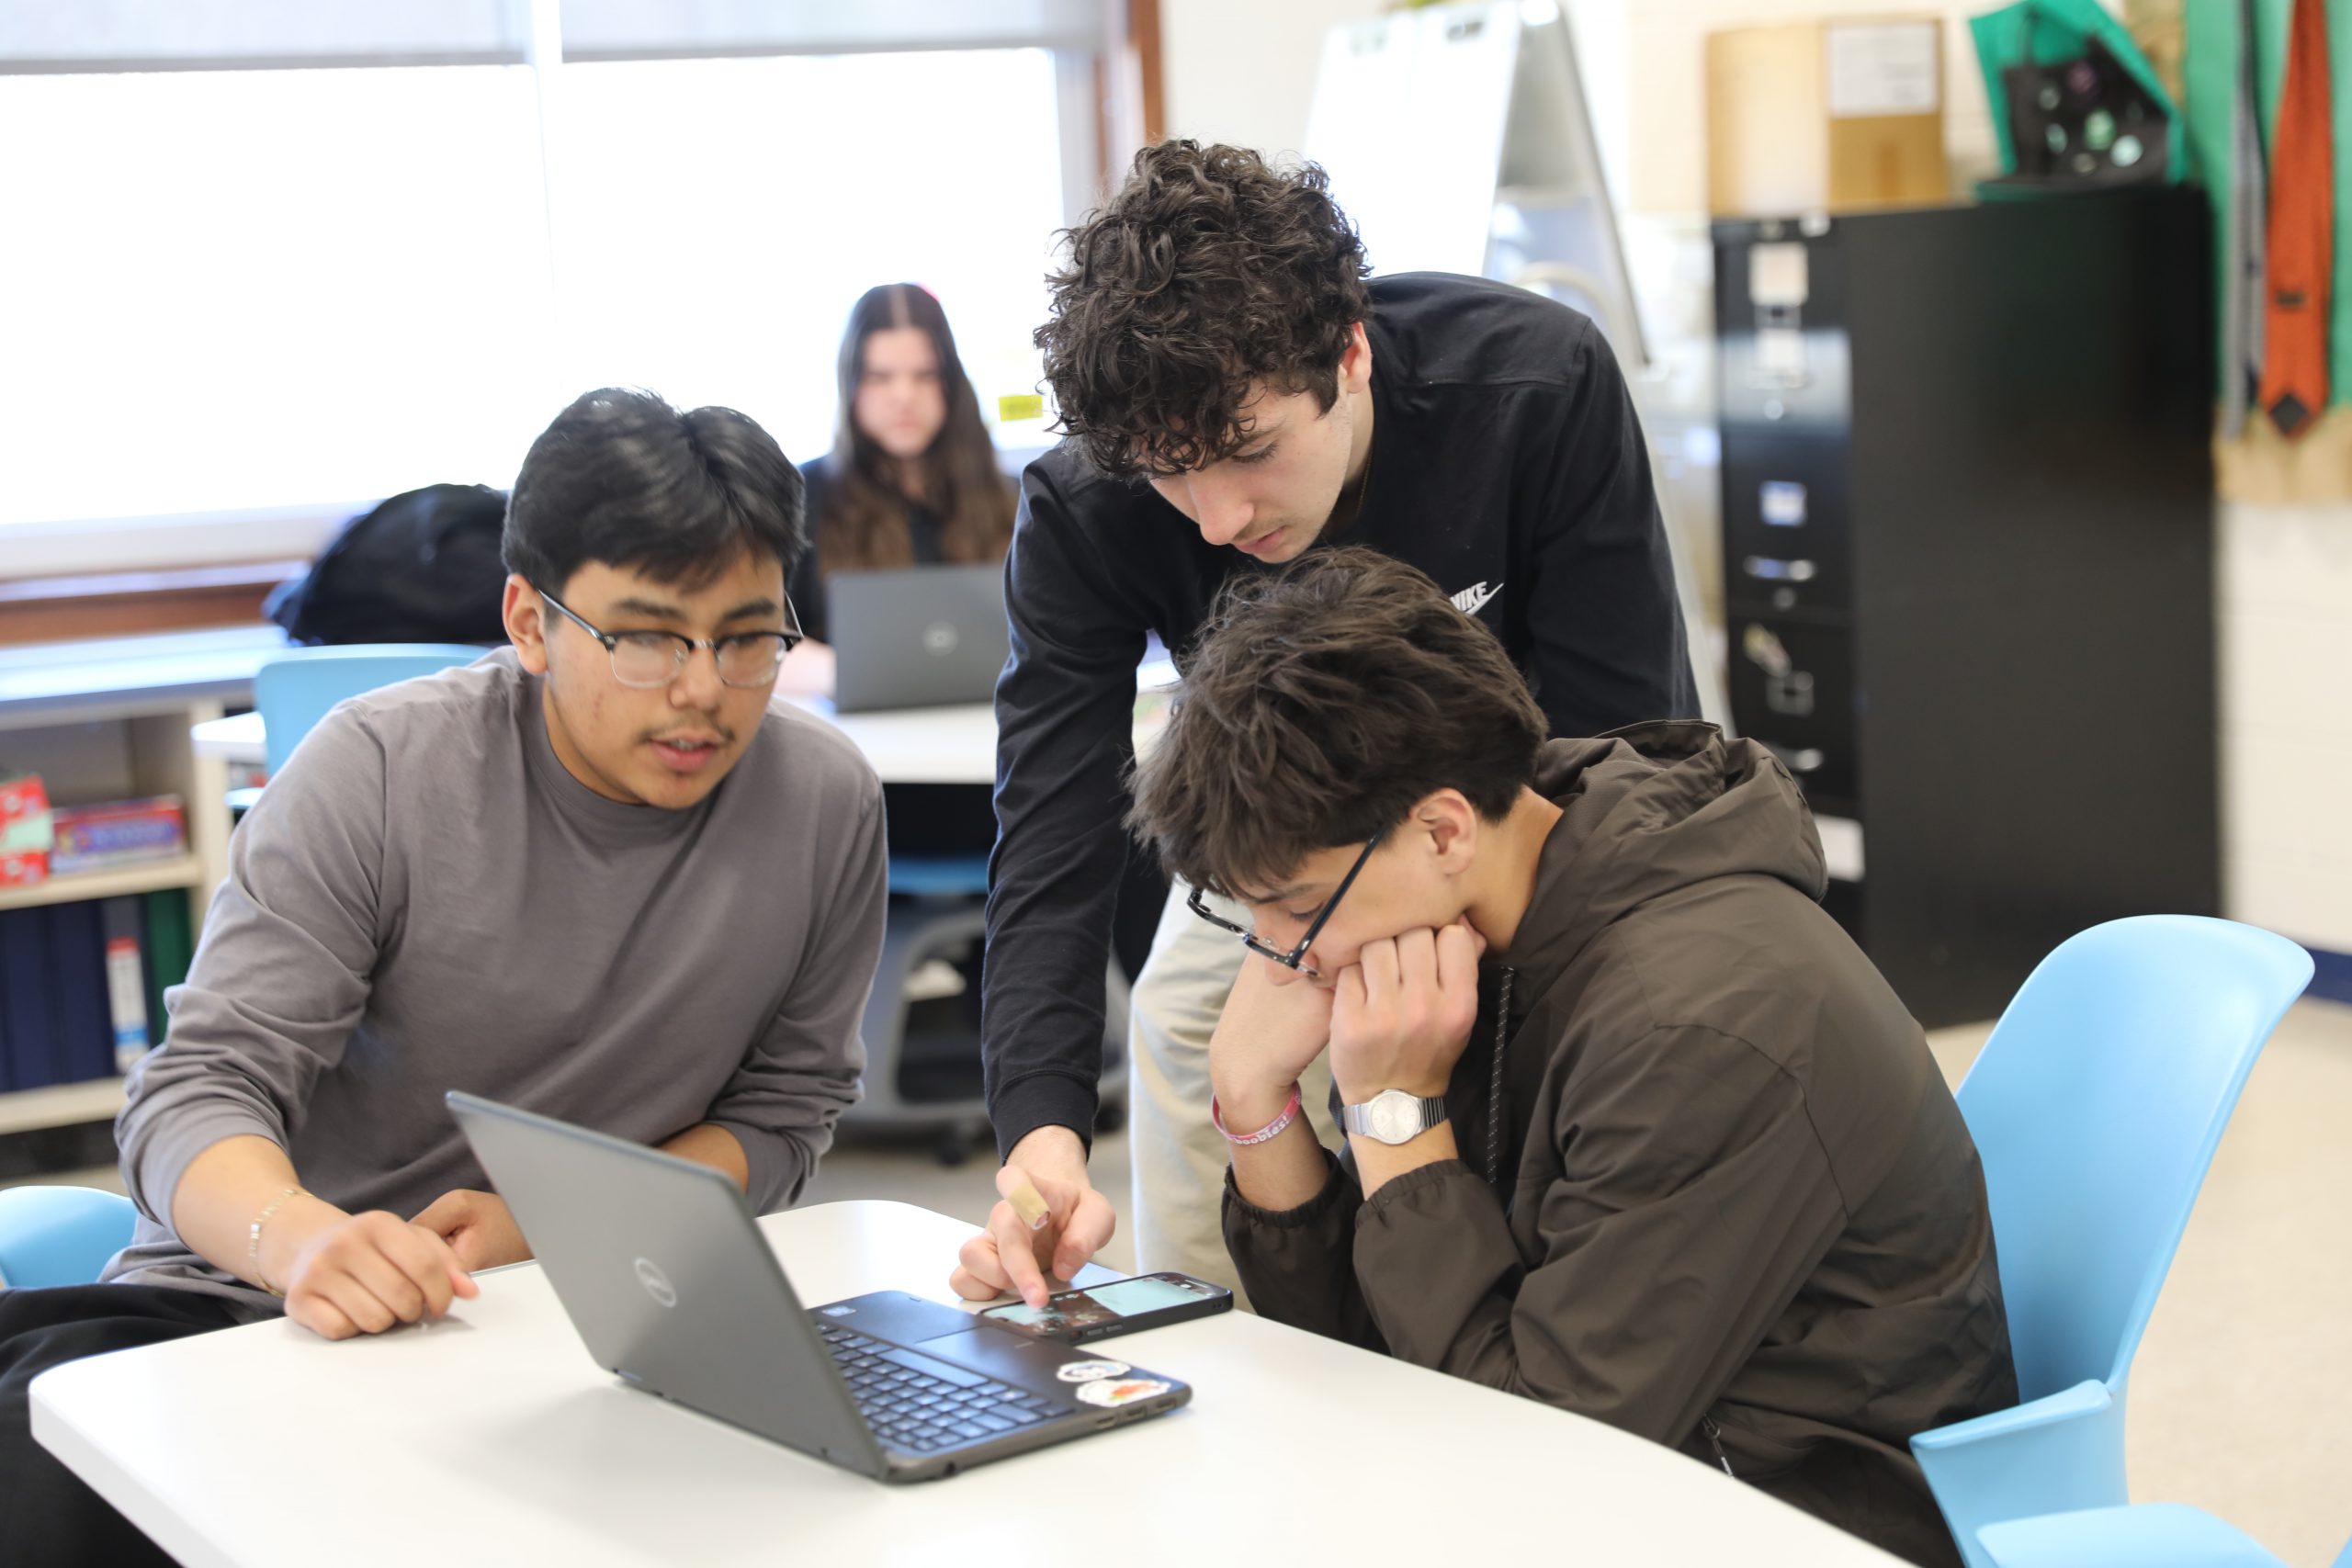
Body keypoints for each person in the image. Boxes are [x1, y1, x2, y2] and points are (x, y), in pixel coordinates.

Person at [0, 388, 888, 1565]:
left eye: (745, 638)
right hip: (245, 1307)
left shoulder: (823, 802)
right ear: (529, 620)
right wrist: (302, 1238)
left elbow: (781, 1116)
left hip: (586, 1325)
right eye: (645, 637)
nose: (701, 691)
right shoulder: (381, 768)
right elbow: (195, 1091)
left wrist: (541, 1230)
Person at [1125, 548, 2017, 1567]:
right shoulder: (1491, 919)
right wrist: (1253, 1100)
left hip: (1781, 1512)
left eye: (1294, 908)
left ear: (1442, 829)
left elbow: (1542, 1457)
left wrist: (1393, 1119)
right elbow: (1370, 1361)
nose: (1289, 957)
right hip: (1612, 1464)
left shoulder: (1696, 1028)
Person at [953, 141, 1701, 1310]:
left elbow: (1633, 738)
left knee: (1463, 1056)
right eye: (1167, 474)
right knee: (1184, 1013)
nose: (1213, 519)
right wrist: (1040, 1136)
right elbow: (1051, 832)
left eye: (1249, 453)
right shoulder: (1084, 509)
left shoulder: (1530, 389)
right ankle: (1217, 1351)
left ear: (1349, 353)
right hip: (1291, 831)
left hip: (1509, 814)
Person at [784, 282, 1015, 659]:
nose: (904, 396)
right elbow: (763, 643)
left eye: (925, 375)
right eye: (881, 377)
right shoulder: (800, 498)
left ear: (951, 383)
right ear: (852, 383)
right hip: (846, 716)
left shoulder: (1013, 499)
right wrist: (849, 675)